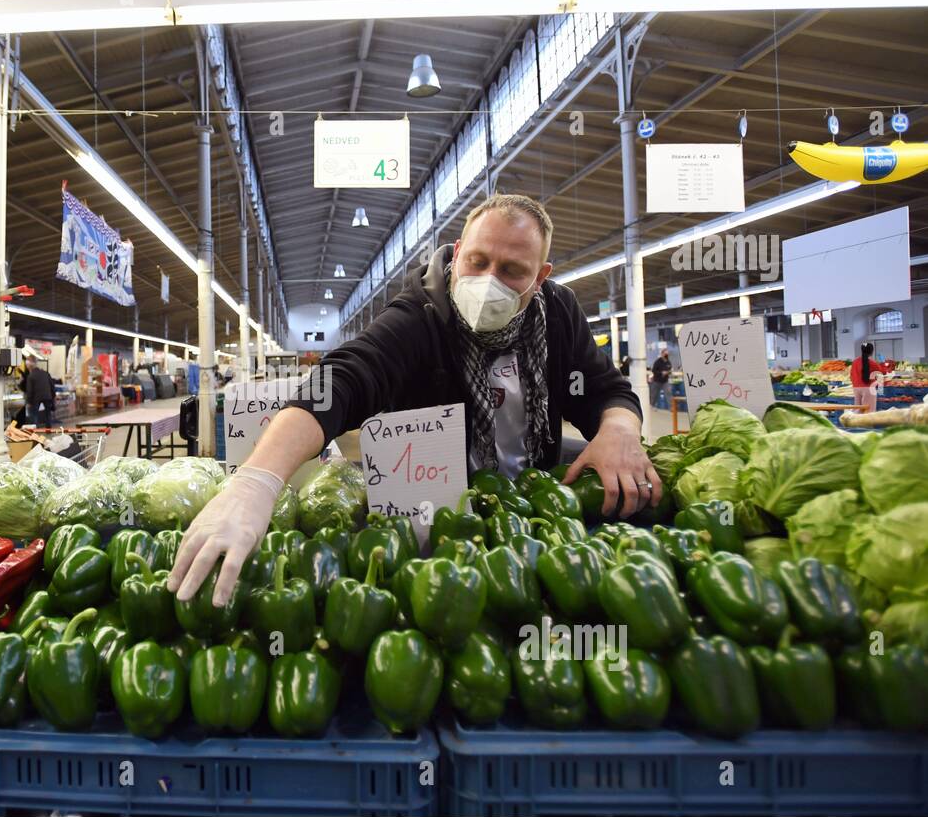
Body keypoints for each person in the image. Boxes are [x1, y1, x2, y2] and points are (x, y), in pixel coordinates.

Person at [170, 193, 654, 606]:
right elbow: (340, 381)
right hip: (432, 530)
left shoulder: (559, 315)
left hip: (527, 519)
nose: (489, 280)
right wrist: (255, 483)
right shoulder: (421, 316)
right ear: (458, 251)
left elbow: (606, 390)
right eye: (478, 261)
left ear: (541, 276)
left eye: (512, 270)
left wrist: (618, 430)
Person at [851, 342, 889, 414]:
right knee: (869, 411)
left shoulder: (855, 362)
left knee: (857, 410)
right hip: (869, 389)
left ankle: (856, 424)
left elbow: (851, 375)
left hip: (856, 388)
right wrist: (883, 362)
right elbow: (883, 372)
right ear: (871, 351)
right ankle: (867, 425)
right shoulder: (872, 363)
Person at [20, 354, 54, 428]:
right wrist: (53, 396)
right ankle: (49, 429)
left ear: (28, 366)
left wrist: (28, 402)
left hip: (36, 397)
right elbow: (52, 385)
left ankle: (35, 430)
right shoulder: (45, 373)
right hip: (47, 396)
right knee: (48, 415)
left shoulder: (31, 376)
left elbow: (30, 390)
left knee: (33, 415)